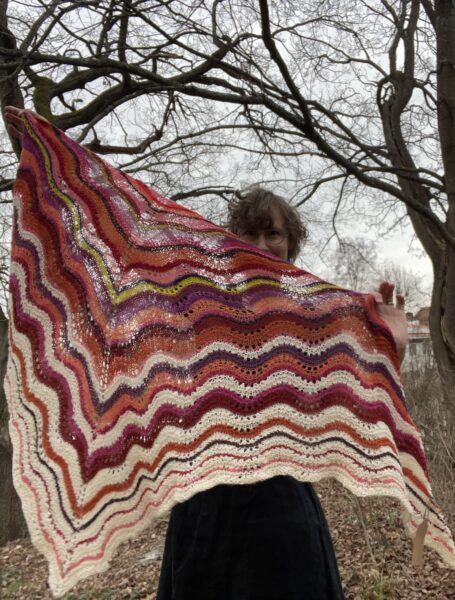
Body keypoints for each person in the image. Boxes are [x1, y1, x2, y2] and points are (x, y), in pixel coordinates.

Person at [3, 107, 408, 599]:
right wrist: (46, 146)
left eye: (274, 233)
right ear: (231, 239)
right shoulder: (198, 304)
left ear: (290, 242)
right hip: (205, 509)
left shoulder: (313, 313)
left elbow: (353, 396)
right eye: (251, 233)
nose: (262, 244)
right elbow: (132, 232)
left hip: (283, 511)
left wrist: (393, 347)